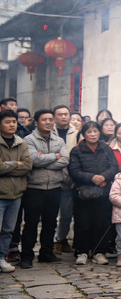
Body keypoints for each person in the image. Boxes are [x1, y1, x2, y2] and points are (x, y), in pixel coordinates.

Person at [21, 109, 69, 268]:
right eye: (44, 120)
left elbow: (65, 160)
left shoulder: (59, 141)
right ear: (36, 122)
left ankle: (46, 253)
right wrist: (55, 156)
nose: (48, 122)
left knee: (50, 223)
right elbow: (33, 160)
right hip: (34, 187)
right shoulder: (28, 140)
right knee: (31, 223)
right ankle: (27, 255)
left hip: (54, 187)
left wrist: (44, 159)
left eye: (50, 119)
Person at [68, 121, 118, 265]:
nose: (93, 134)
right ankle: (82, 251)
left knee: (101, 222)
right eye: (89, 132)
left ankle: (98, 251)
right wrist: (92, 178)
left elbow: (114, 166)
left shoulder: (106, 148)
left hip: (103, 192)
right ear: (84, 134)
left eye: (95, 131)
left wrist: (103, 177)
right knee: (82, 223)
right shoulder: (76, 151)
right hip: (83, 193)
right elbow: (74, 171)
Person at [0, 109, 32, 272]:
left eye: (13, 122)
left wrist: (8, 165)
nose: (12, 125)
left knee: (8, 230)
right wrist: (16, 164)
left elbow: (27, 165)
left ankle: (2, 258)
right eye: (7, 122)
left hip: (16, 194)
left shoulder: (21, 142)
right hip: (1, 194)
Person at [53, 104, 79, 256]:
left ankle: (60, 239)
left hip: (70, 178)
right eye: (60, 114)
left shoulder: (76, 133)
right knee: (50, 215)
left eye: (66, 114)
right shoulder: (49, 132)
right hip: (52, 176)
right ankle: (54, 241)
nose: (63, 117)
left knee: (67, 214)